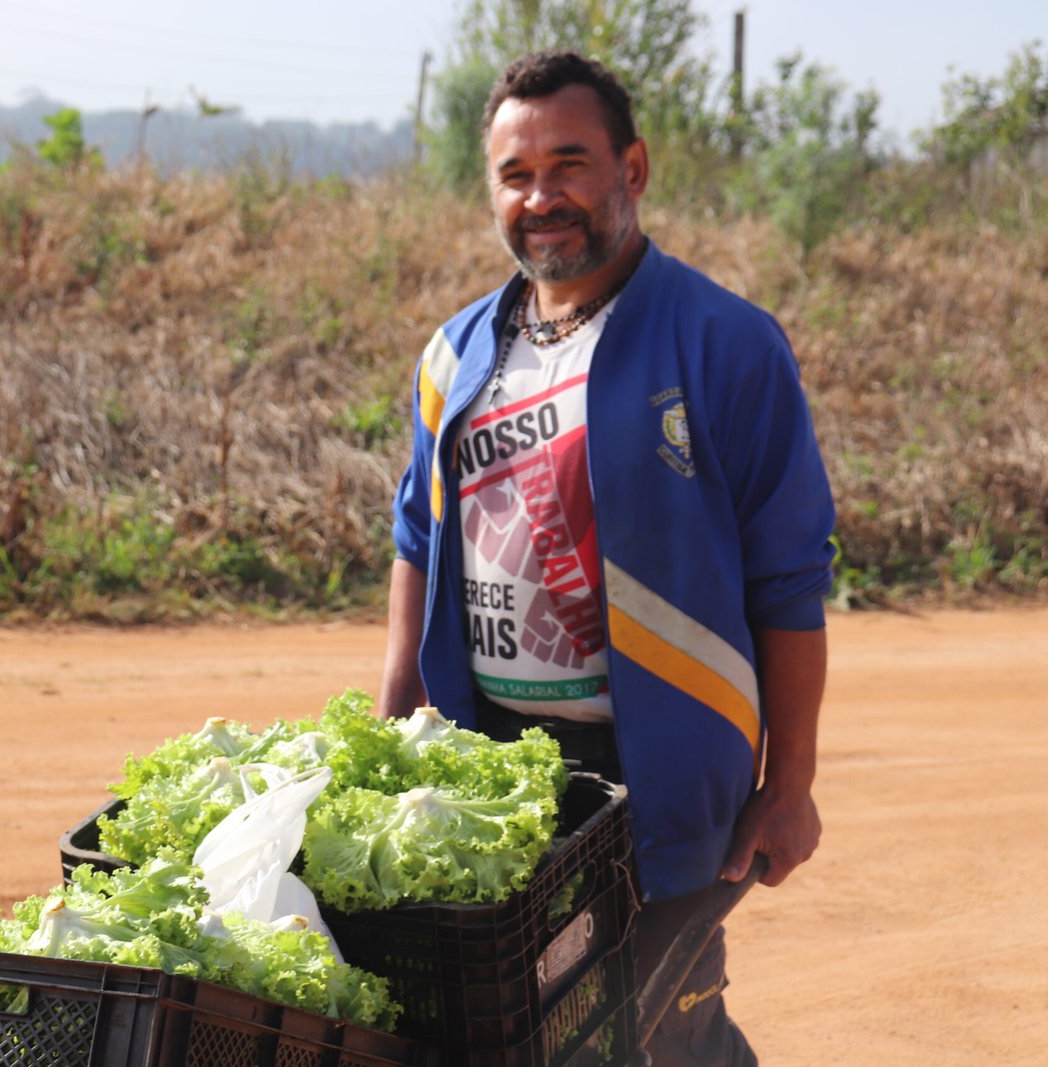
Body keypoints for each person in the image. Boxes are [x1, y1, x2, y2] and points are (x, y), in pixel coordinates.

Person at [380, 51, 835, 1066]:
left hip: (658, 777)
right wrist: (395, 716)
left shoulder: (725, 344)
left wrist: (790, 780)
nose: (541, 196)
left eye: (569, 163)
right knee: (506, 1030)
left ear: (632, 167)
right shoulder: (455, 356)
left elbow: (789, 578)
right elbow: (419, 533)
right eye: (515, 172)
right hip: (491, 769)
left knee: (656, 1030)